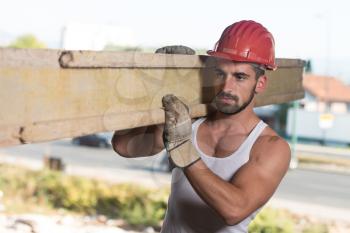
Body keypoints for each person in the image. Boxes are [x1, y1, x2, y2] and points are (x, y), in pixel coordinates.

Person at [112, 20, 291, 233]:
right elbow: (124, 147)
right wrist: (158, 87)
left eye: (240, 77)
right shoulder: (192, 121)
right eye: (220, 74)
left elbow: (234, 210)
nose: (227, 86)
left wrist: (186, 154)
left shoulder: (270, 147)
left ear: (260, 84)